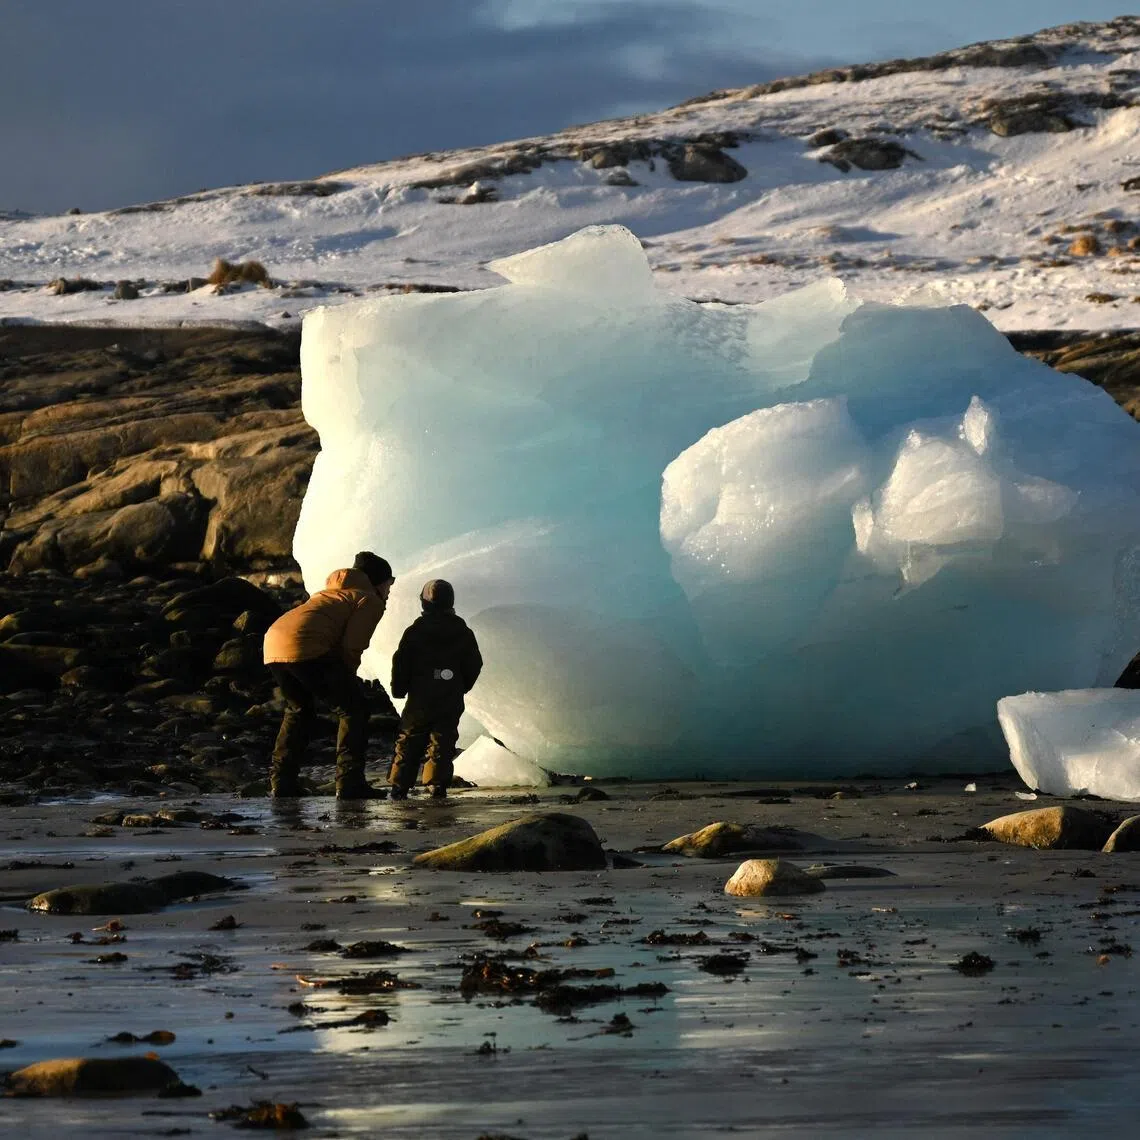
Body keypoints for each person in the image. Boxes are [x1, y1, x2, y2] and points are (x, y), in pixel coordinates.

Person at [263, 551, 396, 799]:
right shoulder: (369, 599)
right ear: (380, 581)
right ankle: (349, 783)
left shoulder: (333, 592)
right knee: (354, 710)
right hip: (305, 645)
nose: (390, 589)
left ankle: (282, 782)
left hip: (274, 643)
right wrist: (348, 679)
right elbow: (352, 645)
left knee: (298, 709)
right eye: (390, 583)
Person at [389, 578, 482, 801]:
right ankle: (436, 785)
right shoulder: (462, 631)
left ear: (424, 604)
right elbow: (474, 663)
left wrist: (399, 688)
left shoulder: (415, 631)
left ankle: (400, 786)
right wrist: (462, 686)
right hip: (450, 695)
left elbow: (401, 662)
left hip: (420, 696)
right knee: (443, 740)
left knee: (410, 739)